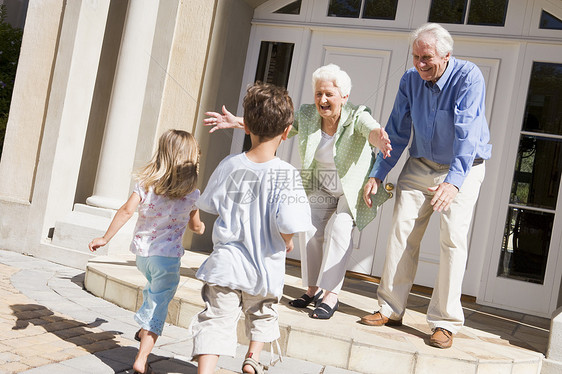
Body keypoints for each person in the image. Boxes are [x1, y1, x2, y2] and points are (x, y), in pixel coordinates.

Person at [204, 64, 392, 320]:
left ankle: (331, 294)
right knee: (311, 229)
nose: (322, 100)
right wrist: (239, 122)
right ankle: (312, 289)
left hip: (351, 190)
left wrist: (378, 139)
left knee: (339, 229)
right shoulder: (306, 115)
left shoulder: (357, 115)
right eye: (318, 94)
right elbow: (276, 125)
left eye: (329, 94)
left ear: (344, 97)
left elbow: (370, 130)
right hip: (322, 184)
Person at [360, 23, 492, 349]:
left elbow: (467, 132)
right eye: (416, 56)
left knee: (452, 240)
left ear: (447, 55)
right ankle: (390, 308)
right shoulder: (409, 80)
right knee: (402, 232)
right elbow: (397, 130)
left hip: (465, 166)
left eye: (427, 57)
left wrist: (455, 182)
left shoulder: (468, 77)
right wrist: (379, 173)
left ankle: (445, 321)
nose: (420, 64)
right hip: (420, 164)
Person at [191, 82, 314, 374]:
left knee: (215, 320)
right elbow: (288, 222)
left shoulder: (230, 165)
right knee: (263, 313)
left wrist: (195, 221)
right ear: (287, 132)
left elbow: (208, 204)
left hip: (226, 265)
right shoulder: (287, 174)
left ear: (246, 127)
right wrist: (288, 240)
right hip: (265, 267)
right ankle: (252, 359)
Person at [88, 129, 205, 374]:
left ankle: (142, 330)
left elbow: (125, 211)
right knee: (159, 306)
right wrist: (201, 226)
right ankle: (141, 359)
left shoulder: (146, 184)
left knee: (153, 293)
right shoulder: (192, 194)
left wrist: (105, 237)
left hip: (142, 256)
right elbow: (196, 227)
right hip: (168, 260)